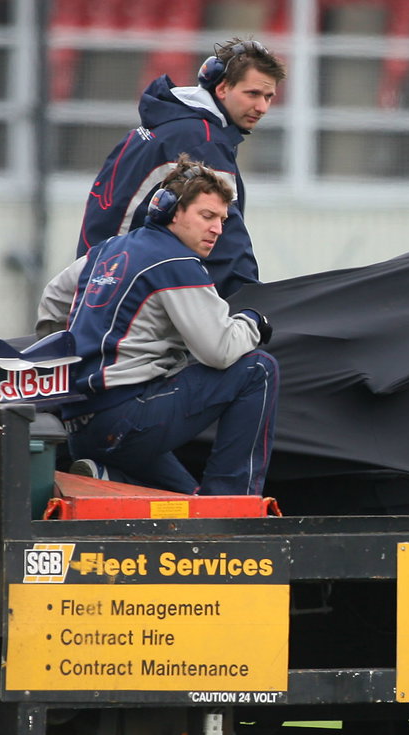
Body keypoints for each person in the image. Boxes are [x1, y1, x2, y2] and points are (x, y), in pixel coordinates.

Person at [39, 156, 278, 496]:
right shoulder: (177, 261)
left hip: (79, 427)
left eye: (222, 220)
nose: (218, 229)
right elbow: (220, 350)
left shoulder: (105, 251)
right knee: (259, 369)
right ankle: (233, 500)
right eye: (207, 216)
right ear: (170, 211)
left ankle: (108, 477)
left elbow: (52, 300)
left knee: (187, 505)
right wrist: (253, 322)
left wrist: (64, 359)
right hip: (128, 420)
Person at [78, 38, 286, 297]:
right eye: (252, 94)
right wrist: (250, 303)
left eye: (268, 97)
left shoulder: (171, 122)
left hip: (100, 280)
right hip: (126, 289)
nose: (262, 107)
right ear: (222, 89)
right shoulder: (203, 140)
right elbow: (225, 240)